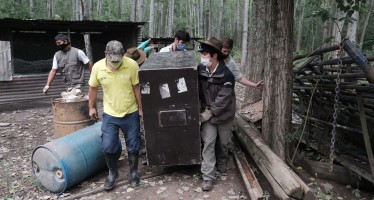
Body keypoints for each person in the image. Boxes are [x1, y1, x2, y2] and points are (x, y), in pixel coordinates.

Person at [88, 40, 142, 190]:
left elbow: (136, 88)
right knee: (108, 146)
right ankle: (113, 173)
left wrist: (141, 108)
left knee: (133, 145)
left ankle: (133, 172)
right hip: (110, 114)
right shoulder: (98, 67)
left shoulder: (132, 65)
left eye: (118, 60)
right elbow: (93, 88)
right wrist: (91, 107)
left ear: (123, 54)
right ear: (106, 54)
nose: (116, 63)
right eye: (113, 60)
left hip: (130, 112)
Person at [213, 38, 264, 174]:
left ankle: (222, 161)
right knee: (210, 137)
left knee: (224, 139)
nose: (226, 53)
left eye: (228, 52)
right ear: (218, 50)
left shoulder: (231, 63)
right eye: (223, 51)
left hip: (227, 104)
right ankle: (210, 163)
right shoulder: (211, 59)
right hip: (211, 103)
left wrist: (254, 85)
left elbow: (239, 78)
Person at [197, 37, 236, 192]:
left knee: (224, 142)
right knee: (208, 142)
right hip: (208, 112)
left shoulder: (227, 75)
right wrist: (202, 109)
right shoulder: (199, 69)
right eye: (202, 52)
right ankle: (207, 177)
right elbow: (196, 90)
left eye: (206, 53)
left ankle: (222, 160)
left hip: (224, 113)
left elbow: (223, 99)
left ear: (215, 56)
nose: (202, 55)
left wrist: (210, 111)